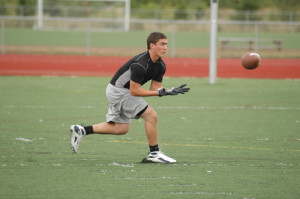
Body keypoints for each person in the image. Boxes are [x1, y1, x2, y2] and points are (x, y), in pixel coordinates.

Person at [70, 32, 190, 163]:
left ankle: (82, 130)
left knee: (121, 128)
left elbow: (155, 89)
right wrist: (159, 93)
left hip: (121, 91)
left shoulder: (161, 65)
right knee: (151, 115)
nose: (166, 48)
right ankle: (154, 153)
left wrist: (168, 91)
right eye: (162, 44)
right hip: (119, 91)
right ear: (152, 45)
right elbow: (135, 91)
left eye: (166, 44)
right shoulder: (140, 64)